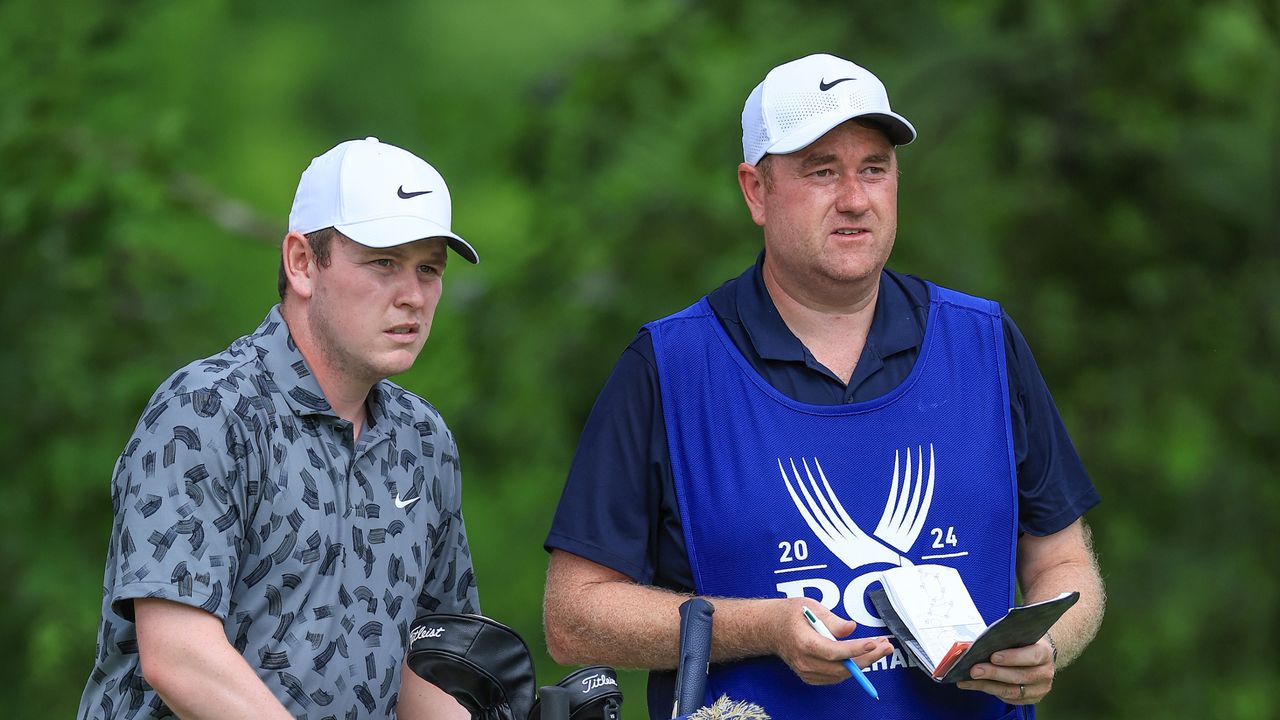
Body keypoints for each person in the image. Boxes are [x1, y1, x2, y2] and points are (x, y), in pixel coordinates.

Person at [542, 54, 1105, 719]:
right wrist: (760, 629)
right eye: (822, 171)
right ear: (756, 190)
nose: (855, 198)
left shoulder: (982, 341)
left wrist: (1045, 648)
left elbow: (1065, 562)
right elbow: (573, 617)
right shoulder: (671, 366)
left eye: (874, 168)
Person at [79, 137, 481, 719]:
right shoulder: (207, 410)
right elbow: (178, 655)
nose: (412, 296)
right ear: (301, 264)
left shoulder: (424, 442)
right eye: (383, 263)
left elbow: (429, 668)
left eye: (428, 270)